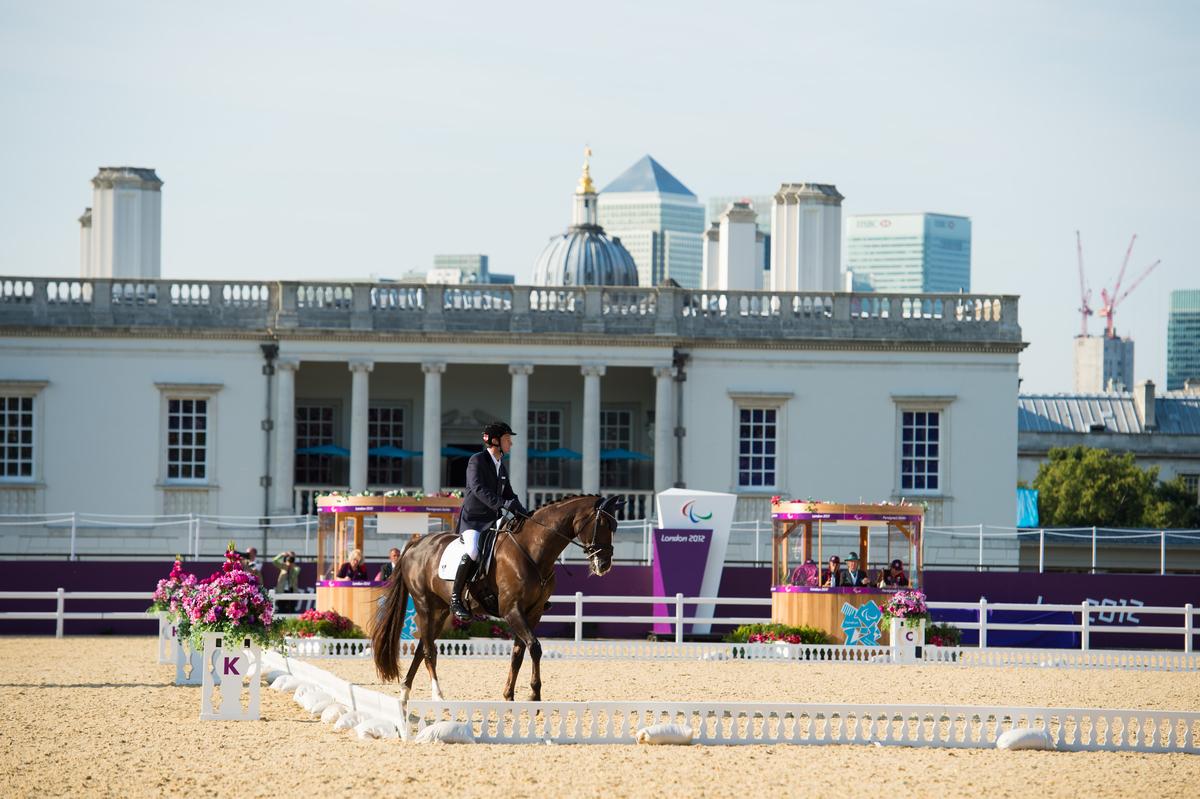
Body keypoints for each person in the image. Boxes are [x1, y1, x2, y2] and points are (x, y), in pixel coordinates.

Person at [449, 421, 528, 621]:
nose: (511, 443)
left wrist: (522, 510)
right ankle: (455, 597)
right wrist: (502, 503)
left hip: (493, 520)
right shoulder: (477, 460)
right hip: (473, 521)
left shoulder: (501, 465)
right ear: (495, 441)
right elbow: (478, 489)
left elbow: (509, 492)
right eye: (507, 439)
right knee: (473, 550)